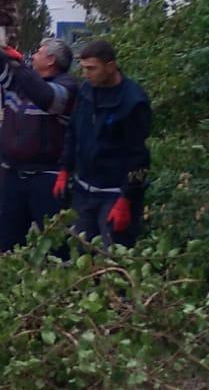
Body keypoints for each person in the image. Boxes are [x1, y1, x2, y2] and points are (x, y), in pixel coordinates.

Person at [0, 4, 75, 249]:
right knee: (8, 242)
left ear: (51, 61)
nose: (33, 55)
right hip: (13, 176)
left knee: (58, 246)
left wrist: (21, 66)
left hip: (46, 179)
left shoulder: (66, 87)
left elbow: (45, 97)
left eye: (39, 52)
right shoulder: (20, 82)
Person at [56, 38, 152, 246]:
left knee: (112, 258)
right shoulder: (86, 91)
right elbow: (73, 131)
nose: (86, 74)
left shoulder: (133, 102)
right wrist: (65, 169)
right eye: (83, 68)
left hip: (114, 195)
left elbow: (140, 157)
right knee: (81, 252)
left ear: (110, 66)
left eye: (92, 68)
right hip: (84, 192)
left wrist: (126, 198)